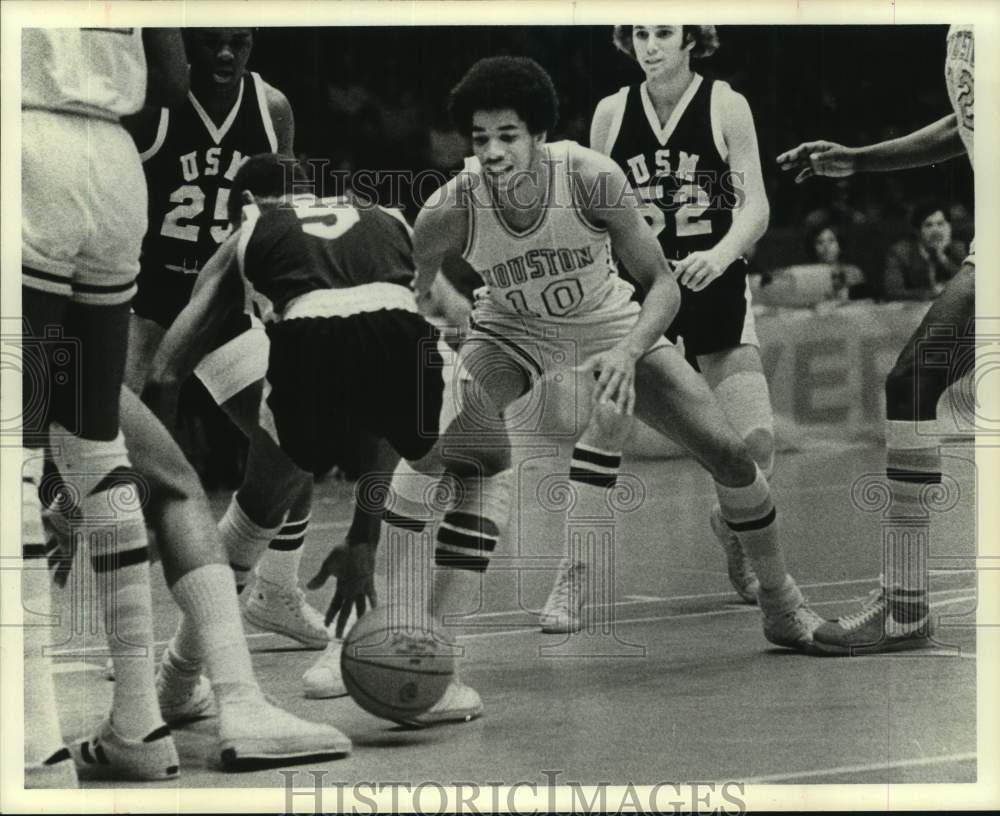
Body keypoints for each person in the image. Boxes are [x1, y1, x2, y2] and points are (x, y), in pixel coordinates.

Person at [412, 56, 822, 648]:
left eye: (508, 136)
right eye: (480, 140)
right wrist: (459, 323)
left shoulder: (589, 176)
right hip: (511, 330)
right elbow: (419, 284)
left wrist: (629, 352)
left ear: (539, 136)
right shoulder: (448, 207)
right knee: (439, 446)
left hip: (607, 324)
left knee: (733, 457)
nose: (493, 152)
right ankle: (405, 622)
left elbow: (661, 283)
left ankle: (781, 601)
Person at [146, 153, 488, 723]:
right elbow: (388, 387)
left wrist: (159, 489)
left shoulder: (249, 229)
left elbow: (164, 371)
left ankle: (177, 681)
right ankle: (430, 660)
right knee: (486, 460)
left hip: (308, 337)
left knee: (260, 505)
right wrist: (363, 537)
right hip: (401, 331)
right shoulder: (383, 213)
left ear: (244, 209)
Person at [540, 25, 776, 622]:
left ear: (691, 38)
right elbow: (592, 208)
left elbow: (756, 204)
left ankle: (733, 529)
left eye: (663, 33)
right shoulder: (611, 113)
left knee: (755, 444)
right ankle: (573, 576)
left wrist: (721, 255)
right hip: (640, 294)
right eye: (640, 33)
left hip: (713, 282)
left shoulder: (726, 103)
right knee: (606, 427)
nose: (650, 45)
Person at [20, 26, 188, 787]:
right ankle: (139, 725)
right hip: (116, 166)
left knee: (14, 450)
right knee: (94, 439)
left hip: (24, 141)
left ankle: (32, 741)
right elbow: (174, 75)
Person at [124, 27, 330, 649]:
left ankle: (277, 591)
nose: (223, 56)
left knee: (299, 437)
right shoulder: (157, 101)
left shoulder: (272, 109)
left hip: (225, 303)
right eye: (210, 42)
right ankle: (130, 635)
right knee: (121, 467)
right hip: (148, 301)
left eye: (237, 44)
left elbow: (280, 212)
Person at [777, 23, 974, 654]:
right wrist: (862, 159)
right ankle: (907, 606)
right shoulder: (963, 28)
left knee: (913, 380)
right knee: (914, 383)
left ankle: (907, 606)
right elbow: (962, 124)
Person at [883, 199, 967, 301]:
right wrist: (932, 293)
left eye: (940, 224)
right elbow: (893, 291)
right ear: (917, 231)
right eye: (928, 225)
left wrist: (942, 257)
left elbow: (971, 284)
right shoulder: (900, 252)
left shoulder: (957, 248)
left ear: (948, 227)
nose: (936, 231)